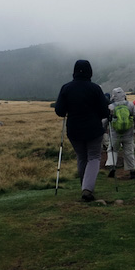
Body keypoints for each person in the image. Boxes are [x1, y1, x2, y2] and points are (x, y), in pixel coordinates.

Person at [54, 60, 109, 202]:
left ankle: (85, 187)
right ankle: (87, 189)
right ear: (90, 71)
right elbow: (104, 111)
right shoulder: (95, 88)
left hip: (74, 130)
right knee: (94, 157)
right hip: (94, 129)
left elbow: (59, 111)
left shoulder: (66, 88)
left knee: (82, 157)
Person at [107, 87, 135, 180]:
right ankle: (132, 172)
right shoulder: (130, 105)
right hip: (128, 133)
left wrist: (104, 129)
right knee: (129, 151)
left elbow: (105, 120)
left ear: (113, 96)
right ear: (124, 95)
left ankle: (112, 167)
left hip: (115, 133)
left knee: (112, 150)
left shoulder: (111, 106)